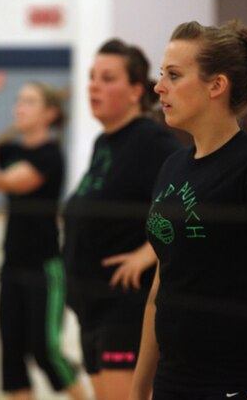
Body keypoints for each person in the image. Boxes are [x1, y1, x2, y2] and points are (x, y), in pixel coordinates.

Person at [129, 21, 247, 400]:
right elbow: (163, 285)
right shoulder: (172, 166)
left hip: (235, 386)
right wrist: (140, 386)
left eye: (173, 75)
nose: (159, 87)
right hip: (173, 383)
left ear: (216, 85)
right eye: (162, 75)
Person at [62, 39, 181, 400]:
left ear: (135, 91)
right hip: (90, 309)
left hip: (126, 307)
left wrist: (148, 253)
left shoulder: (152, 141)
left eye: (107, 78)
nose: (93, 86)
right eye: (92, 77)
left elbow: (193, 200)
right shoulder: (104, 143)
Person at [0, 72, 87, 400]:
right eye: (18, 101)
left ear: (50, 114)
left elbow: (12, 182)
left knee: (44, 351)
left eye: (29, 101)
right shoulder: (10, 149)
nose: (19, 107)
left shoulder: (49, 155)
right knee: (12, 354)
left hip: (43, 268)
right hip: (11, 265)